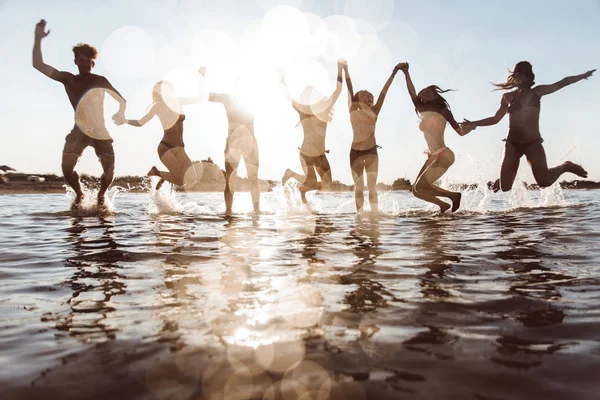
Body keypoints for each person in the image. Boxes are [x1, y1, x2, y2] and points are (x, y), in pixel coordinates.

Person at [32, 19, 126, 208]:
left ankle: (101, 195)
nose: (85, 64)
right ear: (76, 61)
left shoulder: (100, 80)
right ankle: (80, 193)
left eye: (88, 61)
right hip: (79, 130)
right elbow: (38, 65)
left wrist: (120, 113)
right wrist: (38, 38)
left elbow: (121, 100)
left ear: (93, 62)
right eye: (81, 61)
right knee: (66, 169)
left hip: (100, 130)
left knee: (109, 170)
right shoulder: (68, 79)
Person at [461, 61, 594, 192]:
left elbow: (562, 82)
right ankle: (504, 179)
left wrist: (583, 75)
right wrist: (474, 123)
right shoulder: (507, 96)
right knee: (505, 188)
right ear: (515, 75)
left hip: (532, 143)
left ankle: (565, 166)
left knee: (544, 182)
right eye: (519, 72)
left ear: (530, 76)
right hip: (512, 143)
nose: (522, 75)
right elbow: (495, 119)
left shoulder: (537, 92)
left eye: (526, 72)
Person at [398, 62, 463, 213]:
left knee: (420, 186)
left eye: (429, 92)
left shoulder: (443, 111)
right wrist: (406, 73)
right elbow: (411, 92)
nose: (425, 94)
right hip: (433, 156)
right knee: (416, 190)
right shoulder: (423, 110)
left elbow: (459, 131)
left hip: (444, 155)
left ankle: (453, 196)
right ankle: (443, 205)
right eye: (423, 94)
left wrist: (470, 126)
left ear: (435, 95)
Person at [281, 60, 344, 204]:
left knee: (328, 184)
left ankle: (301, 188)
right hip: (307, 154)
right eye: (307, 94)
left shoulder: (325, 106)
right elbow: (288, 96)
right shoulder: (302, 109)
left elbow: (338, 91)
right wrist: (282, 81)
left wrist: (340, 69)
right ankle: (294, 178)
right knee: (311, 182)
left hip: (320, 154)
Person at [198, 67, 260, 214]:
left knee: (253, 178)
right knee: (230, 180)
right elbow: (205, 96)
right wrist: (201, 79)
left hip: (250, 143)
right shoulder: (227, 98)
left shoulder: (253, 100)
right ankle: (228, 211)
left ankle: (257, 211)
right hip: (234, 143)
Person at [344, 61, 403, 212]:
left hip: (371, 152)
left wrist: (394, 73)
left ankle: (374, 215)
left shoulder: (374, 110)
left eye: (367, 95)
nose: (364, 97)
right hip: (355, 152)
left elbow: (384, 91)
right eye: (361, 95)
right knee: (358, 187)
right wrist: (345, 69)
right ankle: (360, 215)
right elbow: (349, 88)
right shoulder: (352, 109)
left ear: (370, 99)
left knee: (371, 187)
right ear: (358, 98)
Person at [125, 81, 198, 190]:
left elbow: (196, 99)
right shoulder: (158, 106)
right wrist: (125, 121)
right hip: (166, 147)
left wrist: (200, 77)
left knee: (192, 179)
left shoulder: (178, 101)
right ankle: (157, 173)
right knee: (181, 181)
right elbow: (141, 122)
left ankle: (164, 176)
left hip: (180, 149)